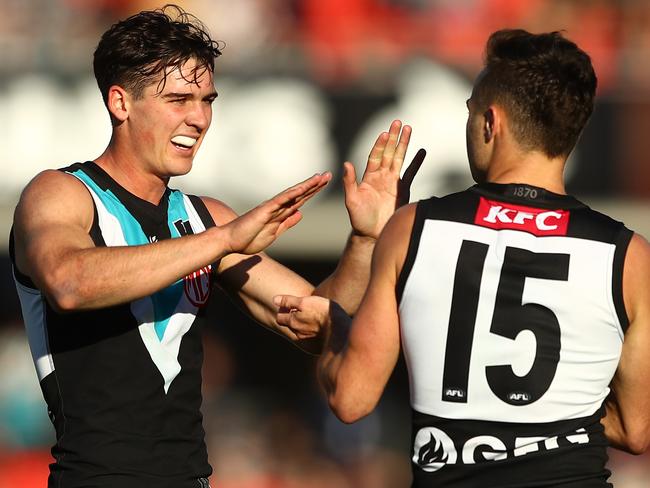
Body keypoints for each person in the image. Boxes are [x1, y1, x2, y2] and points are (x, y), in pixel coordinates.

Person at [9, 5, 424, 488]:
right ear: (121, 103)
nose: (200, 118)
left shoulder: (206, 218)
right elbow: (69, 282)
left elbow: (316, 321)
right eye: (180, 99)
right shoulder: (60, 193)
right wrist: (223, 240)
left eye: (208, 100)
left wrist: (366, 238)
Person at [275, 29, 650, 487]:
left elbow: (351, 398)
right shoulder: (630, 257)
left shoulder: (414, 228)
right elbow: (635, 429)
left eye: (470, 111)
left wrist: (335, 321)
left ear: (491, 123)